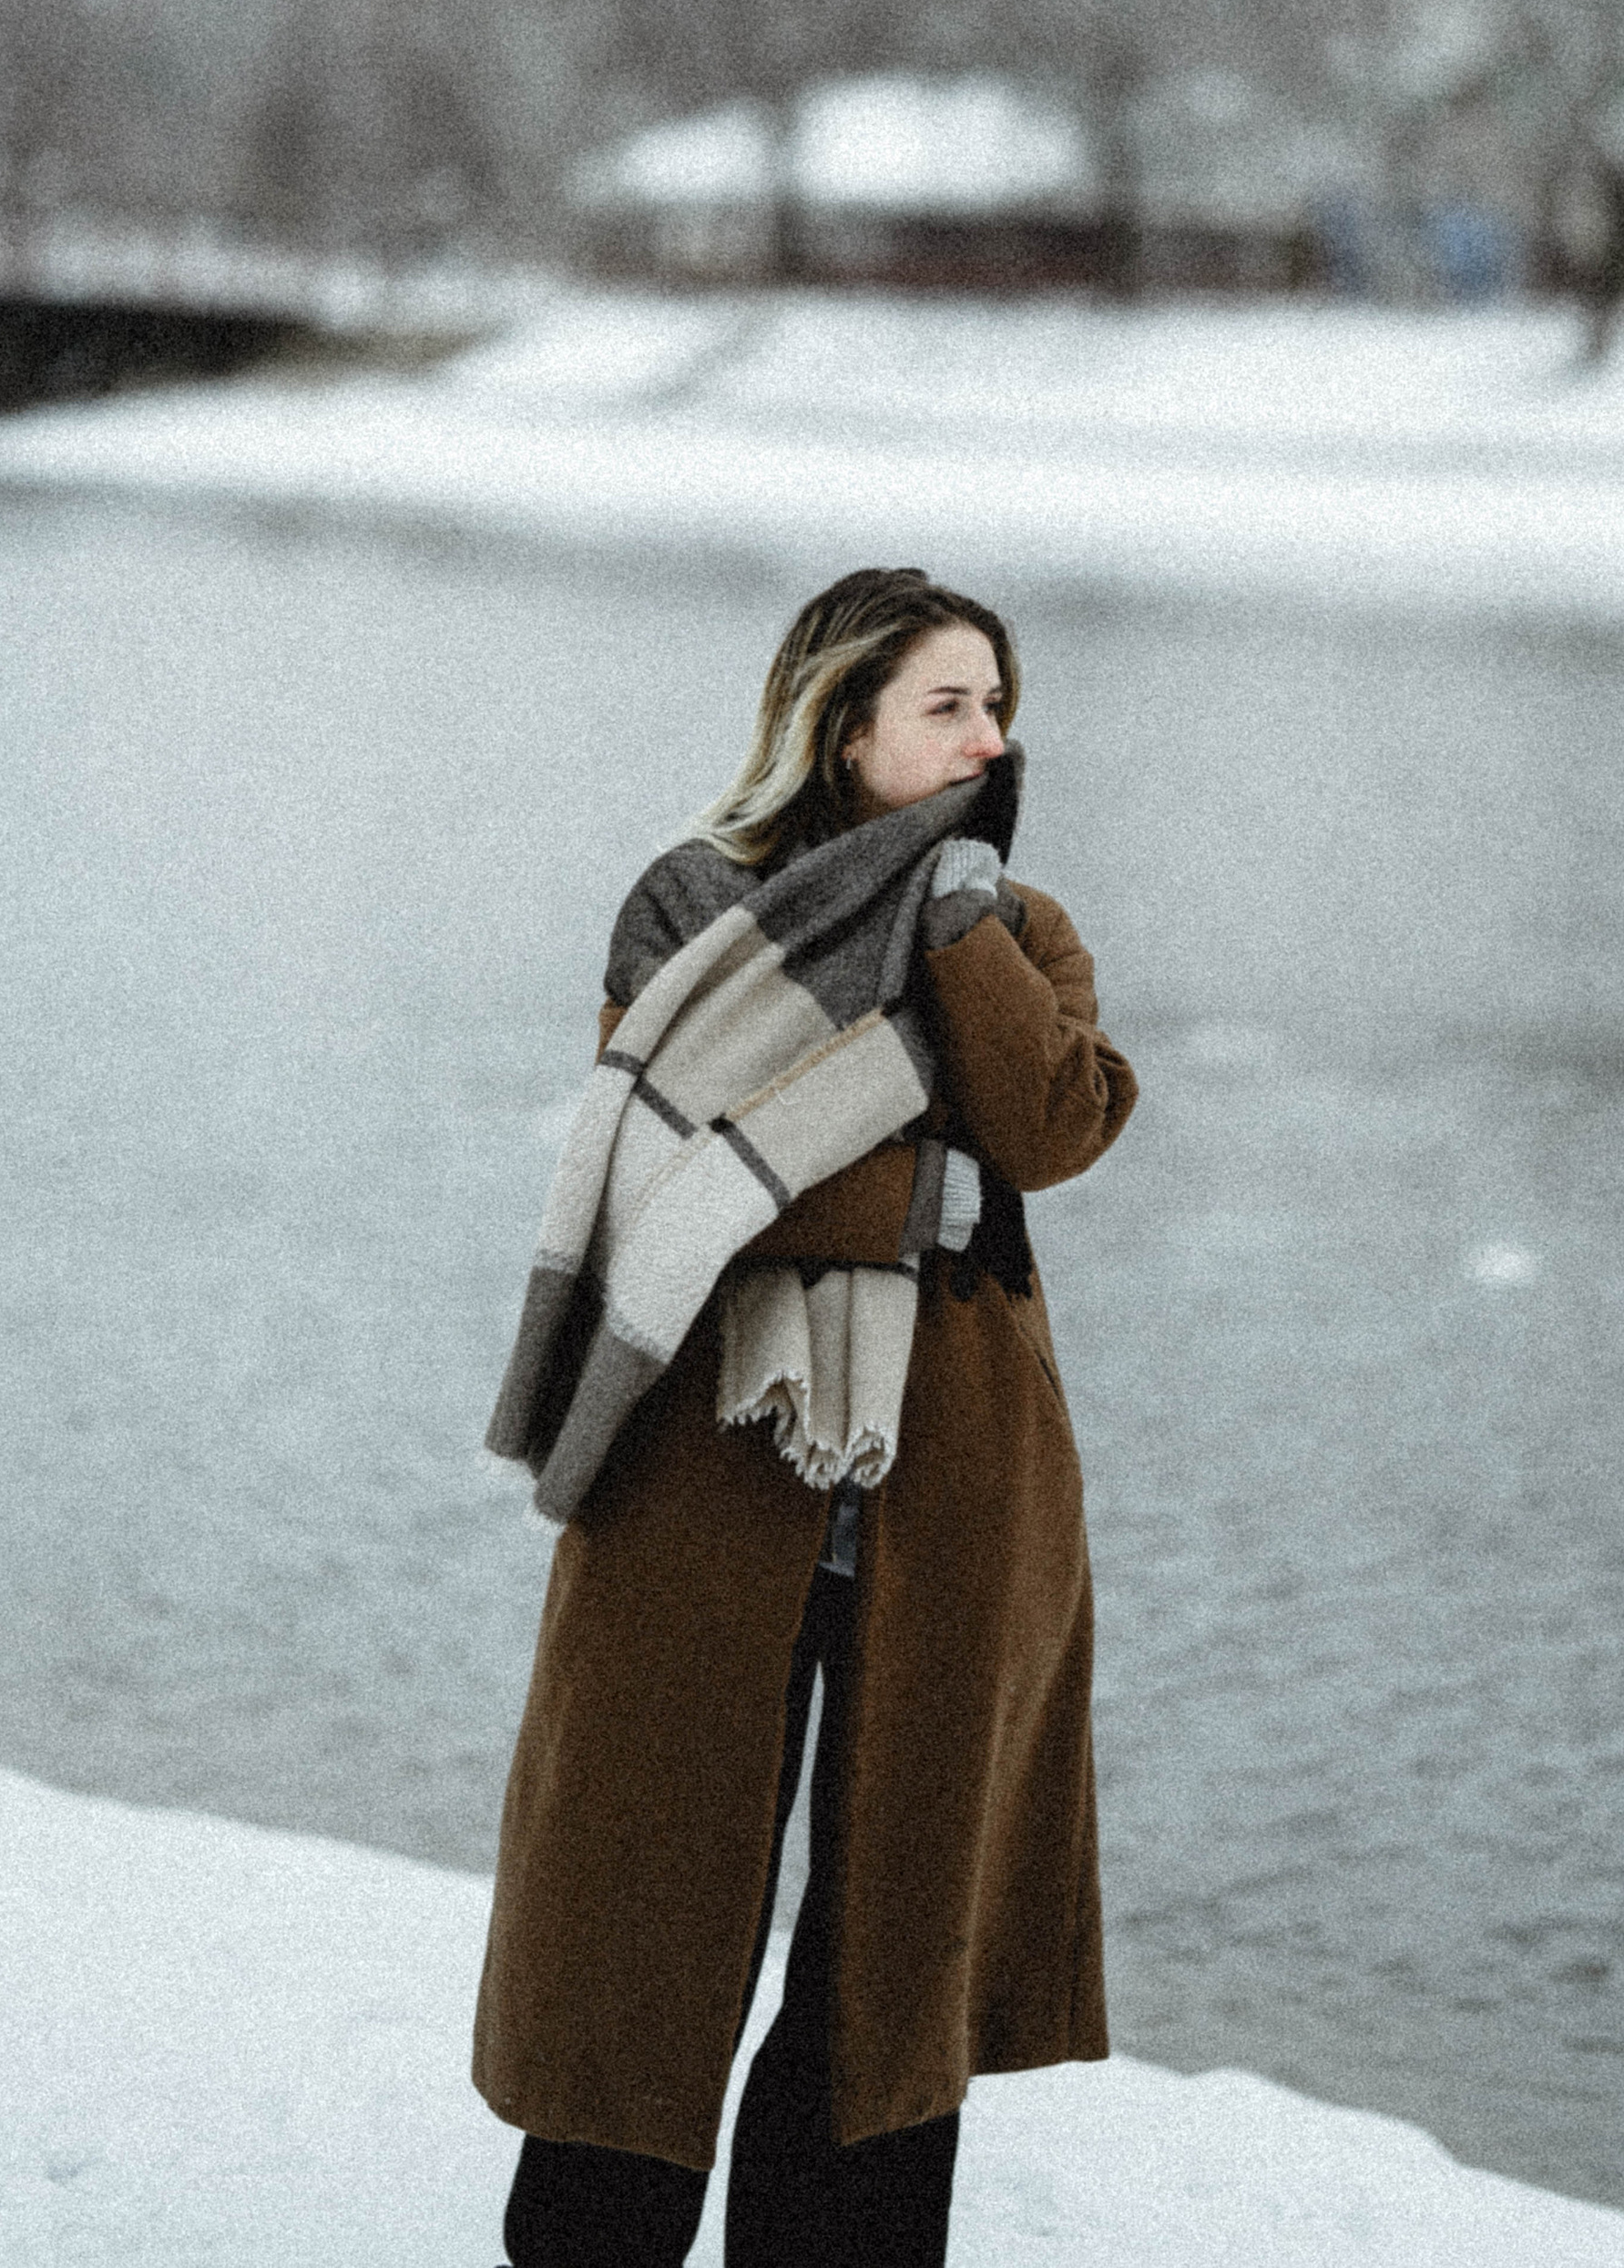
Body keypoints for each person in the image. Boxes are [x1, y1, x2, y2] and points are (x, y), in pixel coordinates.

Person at [475, 566, 1139, 2268]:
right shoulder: (694, 912)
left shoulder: (1017, 922)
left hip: (954, 1504)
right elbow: (668, 1191)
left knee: (890, 1965)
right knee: (641, 1941)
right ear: (845, 729)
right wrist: (918, 1200)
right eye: (950, 706)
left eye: (1002, 707)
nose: (992, 738)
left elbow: (1052, 1126)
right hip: (708, 1481)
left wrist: (956, 924)